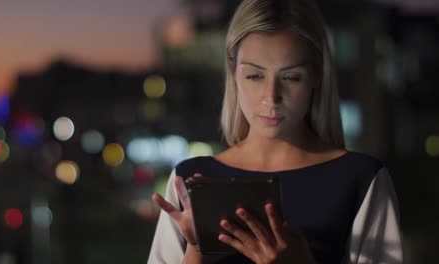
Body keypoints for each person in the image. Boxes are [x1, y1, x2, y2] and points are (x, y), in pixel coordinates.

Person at [148, 0, 403, 263]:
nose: (271, 98)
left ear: (317, 77)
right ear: (233, 74)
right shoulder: (190, 180)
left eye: (291, 77)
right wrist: (196, 249)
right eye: (255, 76)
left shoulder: (360, 179)